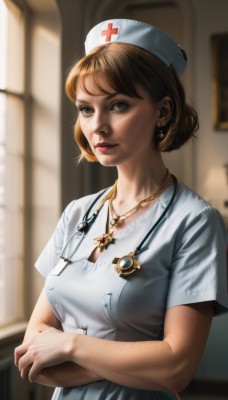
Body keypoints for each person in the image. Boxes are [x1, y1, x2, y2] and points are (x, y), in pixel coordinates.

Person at [15, 19, 228, 400]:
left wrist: (69, 345)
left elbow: (175, 368)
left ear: (163, 112)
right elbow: (32, 355)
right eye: (85, 109)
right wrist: (134, 363)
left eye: (118, 105)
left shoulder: (195, 222)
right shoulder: (78, 214)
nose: (98, 127)